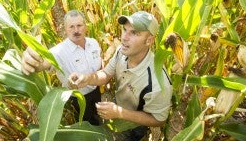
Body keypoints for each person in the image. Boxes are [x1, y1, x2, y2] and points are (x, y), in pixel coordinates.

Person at [68, 11, 173, 140]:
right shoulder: (121, 52)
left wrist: (119, 112)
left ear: (149, 40)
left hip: (136, 123)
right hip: (119, 106)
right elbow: (106, 74)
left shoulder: (158, 82)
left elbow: (158, 120)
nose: (124, 37)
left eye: (134, 33)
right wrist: (87, 78)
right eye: (124, 29)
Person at [21, 10, 102, 125]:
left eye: (79, 25)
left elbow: (99, 59)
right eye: (71, 27)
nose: (76, 30)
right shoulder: (59, 51)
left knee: (97, 113)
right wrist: (30, 60)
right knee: (87, 123)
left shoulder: (93, 43)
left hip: (96, 89)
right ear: (65, 29)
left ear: (85, 26)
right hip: (79, 98)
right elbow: (41, 64)